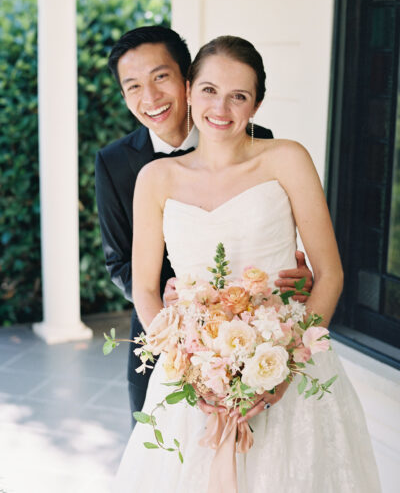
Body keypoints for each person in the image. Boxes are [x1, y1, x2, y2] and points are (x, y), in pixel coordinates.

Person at [113, 35, 381, 492]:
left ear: (255, 105)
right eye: (210, 90)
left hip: (287, 365)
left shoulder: (287, 159)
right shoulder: (154, 179)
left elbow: (330, 274)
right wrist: (193, 371)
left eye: (239, 96)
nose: (222, 108)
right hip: (193, 376)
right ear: (190, 89)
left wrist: (285, 367)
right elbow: (144, 290)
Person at [95, 26, 312, 423]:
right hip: (167, 335)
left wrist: (295, 276)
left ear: (187, 80)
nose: (151, 98)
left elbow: (267, 228)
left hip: (262, 339)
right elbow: (119, 262)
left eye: (161, 77)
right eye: (133, 87)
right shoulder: (114, 163)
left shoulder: (259, 140)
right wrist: (171, 305)